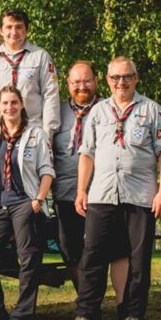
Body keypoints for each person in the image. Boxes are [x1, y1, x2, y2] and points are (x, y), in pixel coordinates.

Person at [69, 57, 161, 320]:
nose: (121, 82)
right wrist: (82, 190)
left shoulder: (152, 110)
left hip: (140, 195)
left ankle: (132, 315)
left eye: (127, 76)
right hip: (102, 194)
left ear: (136, 78)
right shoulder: (99, 112)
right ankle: (86, 316)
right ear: (107, 80)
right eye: (115, 77)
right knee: (92, 256)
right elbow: (86, 154)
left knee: (138, 260)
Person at [0, 85, 55, 320]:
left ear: (21, 105)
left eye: (14, 103)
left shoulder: (35, 134)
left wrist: (38, 199)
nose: (9, 107)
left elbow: (47, 170)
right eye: (5, 103)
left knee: (28, 257)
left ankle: (22, 315)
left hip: (25, 202)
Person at [52, 61, 106, 293]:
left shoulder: (107, 109)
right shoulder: (57, 112)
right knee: (69, 248)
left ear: (96, 81)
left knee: (97, 248)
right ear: (68, 84)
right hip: (65, 192)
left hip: (100, 192)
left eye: (86, 81)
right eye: (76, 82)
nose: (81, 86)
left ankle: (92, 299)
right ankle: (84, 296)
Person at [0, 8, 60, 136]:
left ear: (27, 30)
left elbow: (50, 95)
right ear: (1, 31)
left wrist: (48, 134)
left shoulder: (41, 57)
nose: (14, 32)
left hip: (32, 130)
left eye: (19, 27)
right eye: (8, 27)